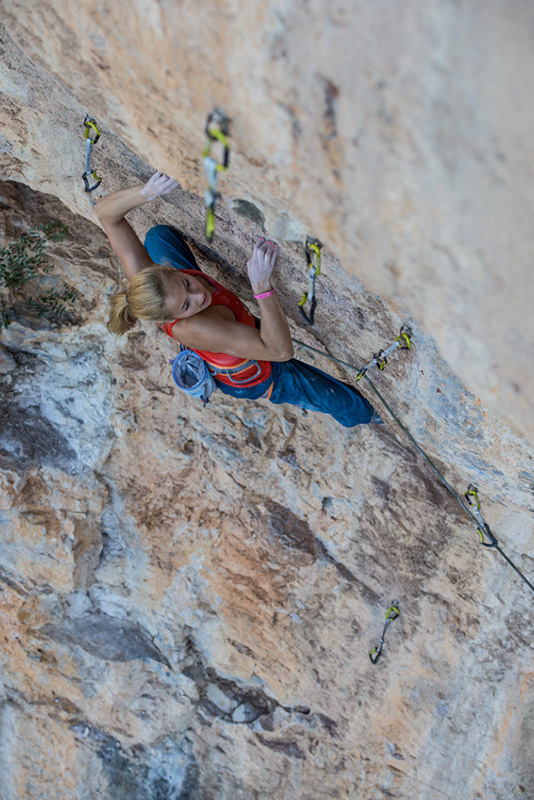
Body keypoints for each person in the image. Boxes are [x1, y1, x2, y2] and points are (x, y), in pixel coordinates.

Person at [96, 171, 382, 427]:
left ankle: (185, 292)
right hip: (257, 371)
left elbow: (106, 214)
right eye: (187, 305)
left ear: (163, 270)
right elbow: (281, 352)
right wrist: (261, 287)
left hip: (217, 322)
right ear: (172, 318)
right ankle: (369, 416)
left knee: (158, 238)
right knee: (339, 400)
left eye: (186, 283)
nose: (200, 295)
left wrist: (146, 193)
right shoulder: (199, 326)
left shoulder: (147, 281)